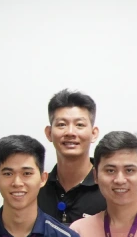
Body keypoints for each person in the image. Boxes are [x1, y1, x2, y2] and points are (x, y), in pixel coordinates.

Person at [38, 89, 106, 224]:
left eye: (79, 125)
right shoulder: (37, 188)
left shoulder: (108, 187)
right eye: (62, 124)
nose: (70, 132)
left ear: (94, 133)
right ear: (49, 133)